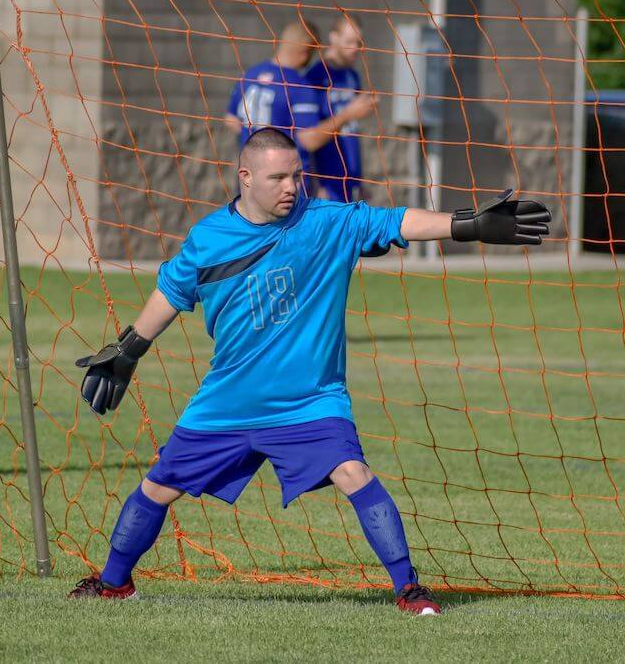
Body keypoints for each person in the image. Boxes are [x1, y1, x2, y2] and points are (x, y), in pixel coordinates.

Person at [69, 128, 551, 614]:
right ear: (246, 177)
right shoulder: (209, 239)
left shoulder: (326, 223)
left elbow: (398, 220)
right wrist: (128, 350)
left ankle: (409, 588)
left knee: (352, 471)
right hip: (228, 401)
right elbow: (170, 294)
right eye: (278, 177)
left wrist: (465, 225)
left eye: (296, 176)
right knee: (157, 486)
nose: (290, 187)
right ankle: (113, 584)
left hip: (309, 401)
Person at [225, 20, 321, 194]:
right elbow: (309, 139)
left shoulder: (250, 75)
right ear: (305, 51)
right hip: (286, 183)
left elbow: (231, 120)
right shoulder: (299, 85)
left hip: (249, 178)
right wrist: (347, 115)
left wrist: (256, 133)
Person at [300, 14, 376, 203]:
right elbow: (308, 137)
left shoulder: (352, 76)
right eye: (350, 41)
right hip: (325, 185)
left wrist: (359, 181)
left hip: (349, 184)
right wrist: (316, 184)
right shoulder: (314, 78)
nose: (356, 48)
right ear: (333, 37)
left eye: (359, 43)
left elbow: (352, 134)